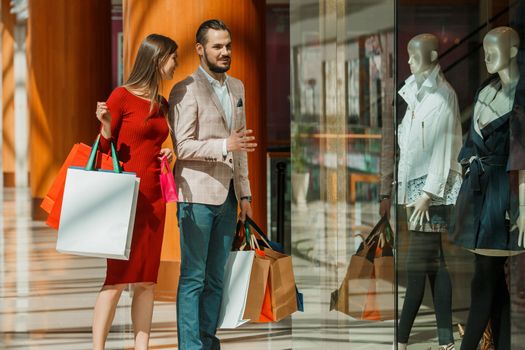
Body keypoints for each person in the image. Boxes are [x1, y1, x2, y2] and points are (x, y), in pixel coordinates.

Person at [169, 19, 257, 350]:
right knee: (193, 277)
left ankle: (208, 341)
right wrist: (224, 146)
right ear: (200, 49)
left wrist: (245, 193)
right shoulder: (185, 89)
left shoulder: (237, 88)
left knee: (216, 278)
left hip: (229, 198)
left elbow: (242, 144)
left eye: (228, 46)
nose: (225, 52)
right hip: (196, 196)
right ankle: (190, 346)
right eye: (217, 46)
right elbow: (183, 147)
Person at [93, 33, 178, 350]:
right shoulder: (121, 97)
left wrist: (171, 154)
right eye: (173, 58)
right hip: (124, 200)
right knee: (115, 280)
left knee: (147, 282)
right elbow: (103, 148)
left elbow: (154, 145)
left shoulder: (162, 104)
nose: (176, 64)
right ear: (158, 60)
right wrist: (104, 124)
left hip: (155, 199)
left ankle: (142, 347)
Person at [450, 26, 525, 350]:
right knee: (493, 282)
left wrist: (524, 208)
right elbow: (470, 142)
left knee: (484, 277)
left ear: (512, 50)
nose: (487, 56)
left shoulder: (521, 98)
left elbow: (522, 159)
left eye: (494, 49)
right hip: (479, 193)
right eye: (484, 50)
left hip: (503, 197)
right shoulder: (487, 90)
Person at [394, 33, 463, 350]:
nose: (408, 61)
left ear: (432, 56)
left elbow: (444, 149)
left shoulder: (442, 96)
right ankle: (446, 338)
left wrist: (428, 193)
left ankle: (402, 338)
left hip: (429, 194)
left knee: (416, 266)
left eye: (413, 55)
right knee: (435, 264)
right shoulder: (416, 94)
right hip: (415, 191)